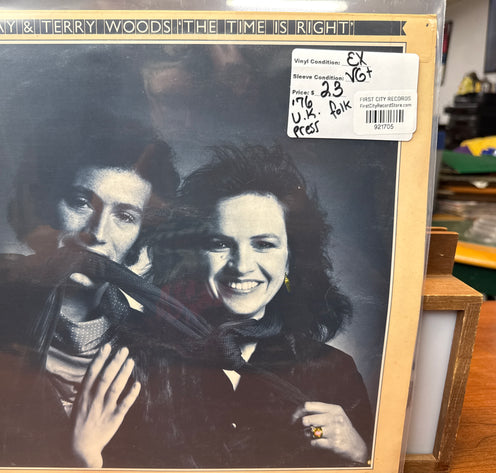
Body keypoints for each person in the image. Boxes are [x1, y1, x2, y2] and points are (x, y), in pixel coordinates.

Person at [80, 144, 373, 468]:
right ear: (193, 255)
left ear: (291, 260)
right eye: (219, 243)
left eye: (264, 244)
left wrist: (361, 455)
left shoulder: (334, 371)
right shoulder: (134, 363)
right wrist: (85, 459)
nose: (242, 266)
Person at [0, 115, 180, 467]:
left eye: (125, 216)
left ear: (141, 237)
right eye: (81, 202)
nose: (97, 233)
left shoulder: (152, 349)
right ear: (48, 205)